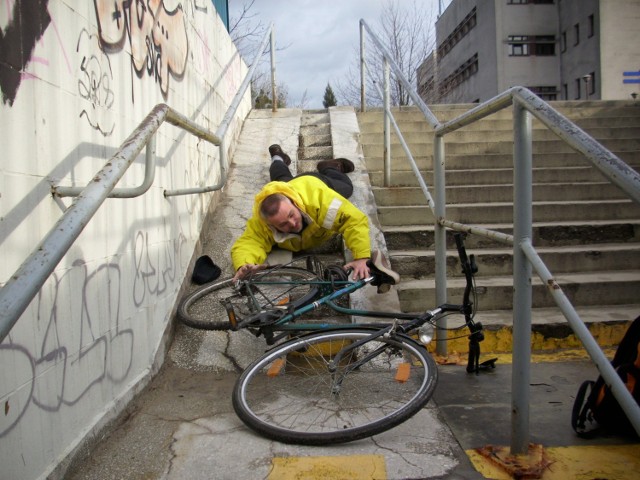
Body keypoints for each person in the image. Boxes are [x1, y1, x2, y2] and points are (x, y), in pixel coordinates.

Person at [231, 144, 372, 281]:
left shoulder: (319, 200)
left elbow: (354, 219)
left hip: (314, 181)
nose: (292, 223)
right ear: (271, 225)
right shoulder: (262, 221)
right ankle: (278, 157)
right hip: (289, 186)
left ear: (293, 202)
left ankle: (329, 166)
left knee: (346, 187)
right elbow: (249, 243)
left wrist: (362, 257)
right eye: (283, 224)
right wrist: (244, 265)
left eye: (291, 215)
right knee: (281, 179)